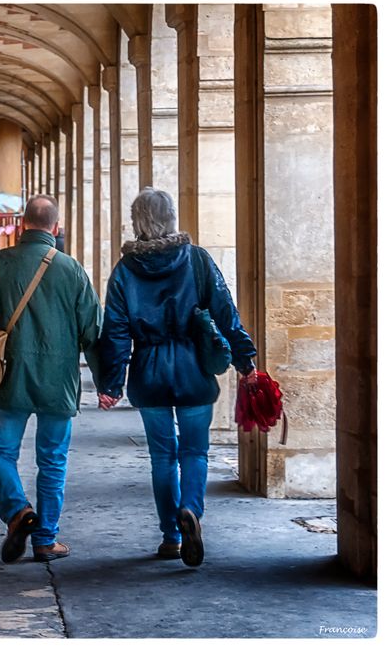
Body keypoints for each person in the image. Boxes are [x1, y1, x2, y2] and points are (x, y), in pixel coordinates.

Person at [96, 187, 257, 567]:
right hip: (194, 369)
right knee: (195, 451)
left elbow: (116, 331)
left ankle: (170, 534)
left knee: (162, 457)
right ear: (171, 218)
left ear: (137, 222)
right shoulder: (197, 260)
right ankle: (191, 512)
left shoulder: (124, 271)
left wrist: (111, 384)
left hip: (148, 371)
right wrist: (245, 360)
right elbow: (225, 313)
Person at [0, 195, 102, 564]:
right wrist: (108, 382)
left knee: (0, 452)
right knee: (53, 459)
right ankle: (45, 540)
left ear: (22, 225)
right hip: (58, 381)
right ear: (56, 228)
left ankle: (17, 511)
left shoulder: (0, 263)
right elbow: (93, 330)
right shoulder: (72, 269)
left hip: (10, 375)